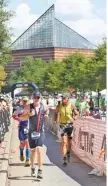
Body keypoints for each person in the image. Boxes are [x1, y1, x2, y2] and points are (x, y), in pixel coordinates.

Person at [17, 91, 49, 178]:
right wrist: (28, 115)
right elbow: (21, 118)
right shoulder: (28, 107)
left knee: (39, 150)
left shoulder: (44, 106)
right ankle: (32, 167)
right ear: (32, 98)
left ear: (40, 98)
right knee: (33, 151)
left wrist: (46, 115)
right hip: (31, 131)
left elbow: (47, 113)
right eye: (35, 97)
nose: (36, 99)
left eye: (38, 97)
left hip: (40, 131)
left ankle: (40, 170)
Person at [54, 93, 79, 166]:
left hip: (70, 125)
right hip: (62, 125)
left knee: (69, 142)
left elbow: (77, 114)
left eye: (64, 98)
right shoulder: (59, 106)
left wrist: (74, 118)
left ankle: (68, 152)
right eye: (62, 98)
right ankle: (64, 158)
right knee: (64, 142)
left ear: (68, 98)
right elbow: (56, 113)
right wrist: (55, 120)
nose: (63, 99)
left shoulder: (72, 105)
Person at [12, 96, 30, 167]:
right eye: (24, 101)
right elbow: (13, 116)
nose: (25, 102)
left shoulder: (30, 108)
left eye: (26, 101)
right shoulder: (20, 108)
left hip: (28, 128)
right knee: (22, 144)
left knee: (27, 143)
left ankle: (27, 160)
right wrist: (18, 119)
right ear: (22, 101)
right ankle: (21, 153)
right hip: (21, 128)